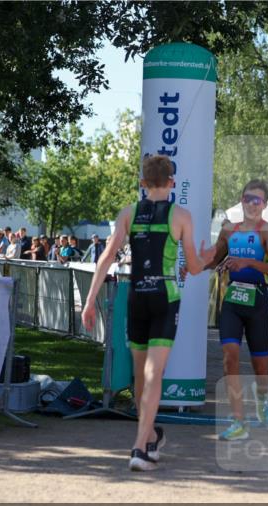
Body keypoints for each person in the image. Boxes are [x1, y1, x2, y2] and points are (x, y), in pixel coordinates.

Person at [81, 155, 214, 472]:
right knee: (146, 378)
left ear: (142, 184)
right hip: (164, 297)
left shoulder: (128, 212)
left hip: (138, 295)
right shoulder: (181, 215)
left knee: (146, 376)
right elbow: (194, 267)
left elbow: (106, 258)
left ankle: (140, 446)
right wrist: (210, 255)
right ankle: (152, 435)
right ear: (172, 183)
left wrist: (89, 300)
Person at [206, 179, 268, 441]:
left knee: (261, 368)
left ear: (265, 205)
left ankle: (263, 398)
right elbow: (213, 259)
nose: (253, 204)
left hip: (257, 302)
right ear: (242, 199)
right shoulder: (229, 230)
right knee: (230, 356)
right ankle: (238, 420)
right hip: (232, 301)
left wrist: (249, 262)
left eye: (258, 200)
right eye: (249, 198)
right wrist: (196, 261)